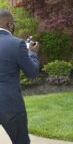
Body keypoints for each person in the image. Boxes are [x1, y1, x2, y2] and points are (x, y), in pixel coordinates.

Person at [0, 9, 40, 143]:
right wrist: (33, 54)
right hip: (10, 105)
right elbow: (32, 73)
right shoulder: (17, 43)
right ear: (9, 24)